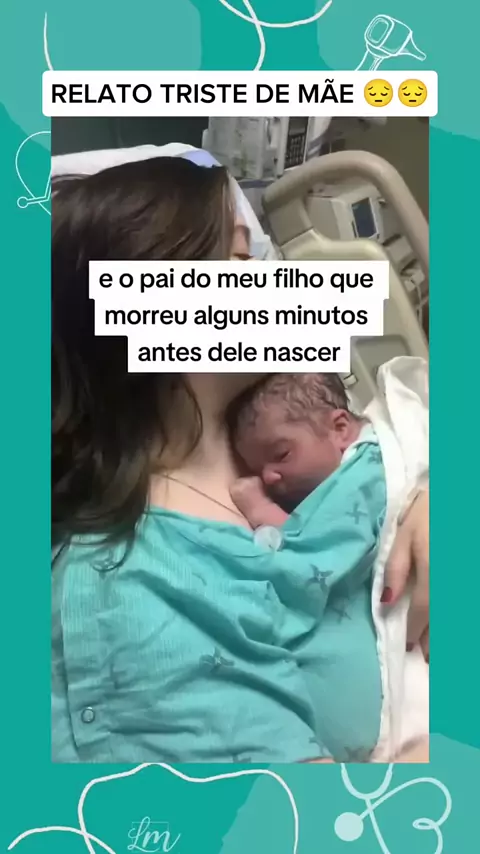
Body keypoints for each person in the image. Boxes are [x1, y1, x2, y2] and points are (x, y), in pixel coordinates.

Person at [52, 156, 429, 764]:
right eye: (239, 259)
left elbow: (382, 453)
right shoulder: (139, 593)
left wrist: (421, 498)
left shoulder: (262, 429)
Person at [229, 372, 369, 526]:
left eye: (281, 454)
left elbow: (327, 538)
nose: (267, 478)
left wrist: (262, 509)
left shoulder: (363, 473)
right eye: (256, 471)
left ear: (339, 428)